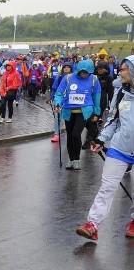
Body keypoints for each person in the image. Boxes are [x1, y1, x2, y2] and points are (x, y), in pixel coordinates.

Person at [75, 56, 134, 240]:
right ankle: (92, 224)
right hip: (120, 147)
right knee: (107, 187)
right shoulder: (121, 93)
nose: (119, 71)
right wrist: (101, 140)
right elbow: (113, 121)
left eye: (123, 68)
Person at [53, 59, 102, 170]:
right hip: (68, 111)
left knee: (76, 134)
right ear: (78, 70)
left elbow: (97, 97)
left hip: (83, 112)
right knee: (70, 136)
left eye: (87, 73)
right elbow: (59, 93)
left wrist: (96, 113)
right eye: (82, 72)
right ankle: (71, 160)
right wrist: (57, 104)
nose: (84, 75)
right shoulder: (68, 78)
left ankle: (77, 159)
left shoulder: (94, 79)